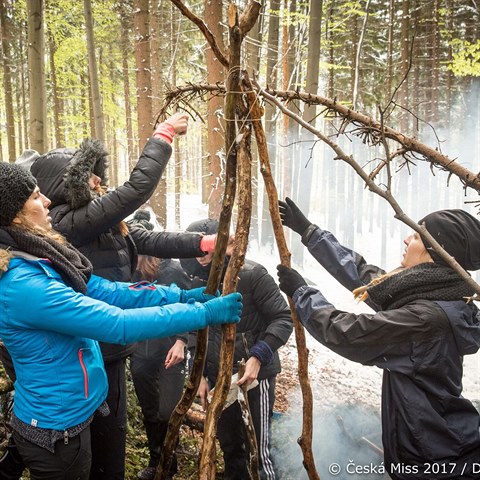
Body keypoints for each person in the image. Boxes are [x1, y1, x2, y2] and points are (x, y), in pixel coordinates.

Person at [0, 161, 243, 480]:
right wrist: (204, 314)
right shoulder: (25, 285)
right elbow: (117, 323)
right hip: (56, 434)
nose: (46, 201)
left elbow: (108, 290)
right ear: (16, 214)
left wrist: (181, 297)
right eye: (35, 196)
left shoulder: (39, 259)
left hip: (67, 418)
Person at [276, 197, 480, 480]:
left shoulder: (427, 319)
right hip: (438, 448)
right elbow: (366, 277)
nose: (408, 238)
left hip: (436, 463)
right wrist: (310, 232)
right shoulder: (437, 294)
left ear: (437, 252)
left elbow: (348, 332)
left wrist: (303, 293)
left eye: (418, 234)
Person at [180, 219, 293, 480]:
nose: (201, 255)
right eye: (197, 248)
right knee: (230, 446)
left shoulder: (252, 274)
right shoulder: (196, 280)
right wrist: (198, 377)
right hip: (218, 377)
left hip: (255, 376)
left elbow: (283, 318)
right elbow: (196, 329)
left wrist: (258, 356)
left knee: (258, 449)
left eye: (206, 247)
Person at [127, 210, 191, 480]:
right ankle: (158, 464)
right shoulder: (128, 269)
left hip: (169, 351)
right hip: (140, 352)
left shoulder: (171, 269)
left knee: (167, 411)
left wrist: (181, 341)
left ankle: (170, 460)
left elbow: (188, 305)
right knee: (150, 412)